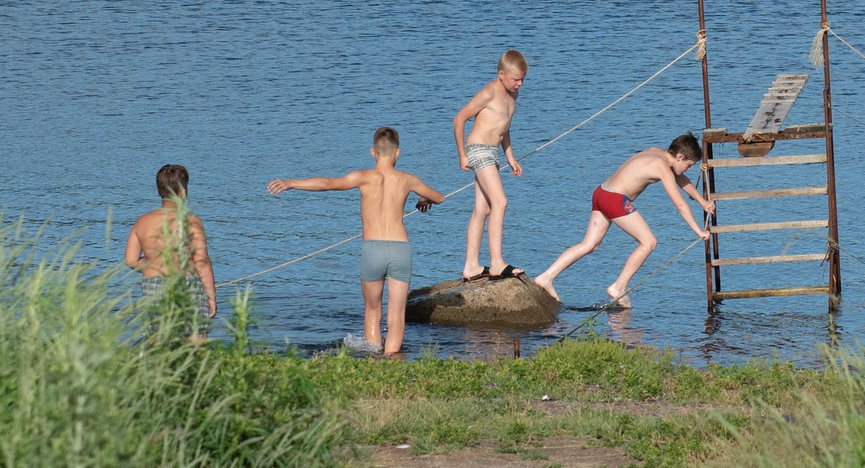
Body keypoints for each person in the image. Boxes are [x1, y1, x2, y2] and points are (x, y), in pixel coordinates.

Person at [268, 127, 447, 355]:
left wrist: (291, 183)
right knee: (397, 314)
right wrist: (422, 197)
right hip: (400, 250)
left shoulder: (363, 177)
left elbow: (327, 184)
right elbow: (439, 197)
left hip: (373, 250)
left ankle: (373, 358)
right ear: (397, 152)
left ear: (373, 152)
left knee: (372, 311)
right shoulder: (408, 179)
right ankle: (393, 360)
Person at [533, 134, 713, 311]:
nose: (689, 169)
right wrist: (698, 230)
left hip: (601, 193)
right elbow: (680, 204)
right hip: (614, 199)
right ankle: (619, 286)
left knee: (589, 244)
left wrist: (702, 202)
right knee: (649, 242)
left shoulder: (657, 152)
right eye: (689, 165)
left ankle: (546, 277)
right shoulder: (662, 167)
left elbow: (680, 178)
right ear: (680, 157)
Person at [451, 48, 529, 282]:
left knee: (482, 209)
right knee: (500, 202)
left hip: (492, 152)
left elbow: (504, 128)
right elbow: (459, 119)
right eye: (516, 79)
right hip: (478, 149)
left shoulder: (513, 96)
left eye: (523, 79)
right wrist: (461, 155)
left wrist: (510, 157)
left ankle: (471, 266)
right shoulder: (488, 93)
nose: (520, 84)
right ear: (501, 74)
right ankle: (496, 263)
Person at [124, 163, 216, 320]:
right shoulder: (191, 221)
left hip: (154, 286)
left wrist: (153, 264)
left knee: (158, 333)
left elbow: (130, 260)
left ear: (158, 190)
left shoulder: (142, 222)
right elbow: (202, 263)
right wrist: (211, 297)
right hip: (186, 283)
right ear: (183, 192)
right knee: (194, 334)